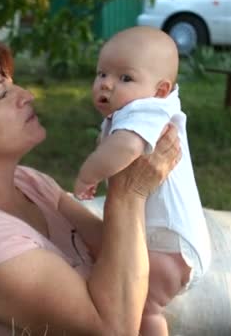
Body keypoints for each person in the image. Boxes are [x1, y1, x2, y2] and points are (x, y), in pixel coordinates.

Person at [0, 35, 182, 335]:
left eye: (14, 84)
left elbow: (121, 259)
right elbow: (113, 329)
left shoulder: (28, 182)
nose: (27, 95)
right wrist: (128, 192)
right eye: (1, 95)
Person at [73, 26, 211, 336]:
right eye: (101, 74)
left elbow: (127, 148)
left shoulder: (147, 109)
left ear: (161, 90)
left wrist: (88, 173)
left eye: (125, 78)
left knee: (145, 308)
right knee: (142, 306)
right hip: (170, 244)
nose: (106, 85)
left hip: (171, 248)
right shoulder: (142, 105)